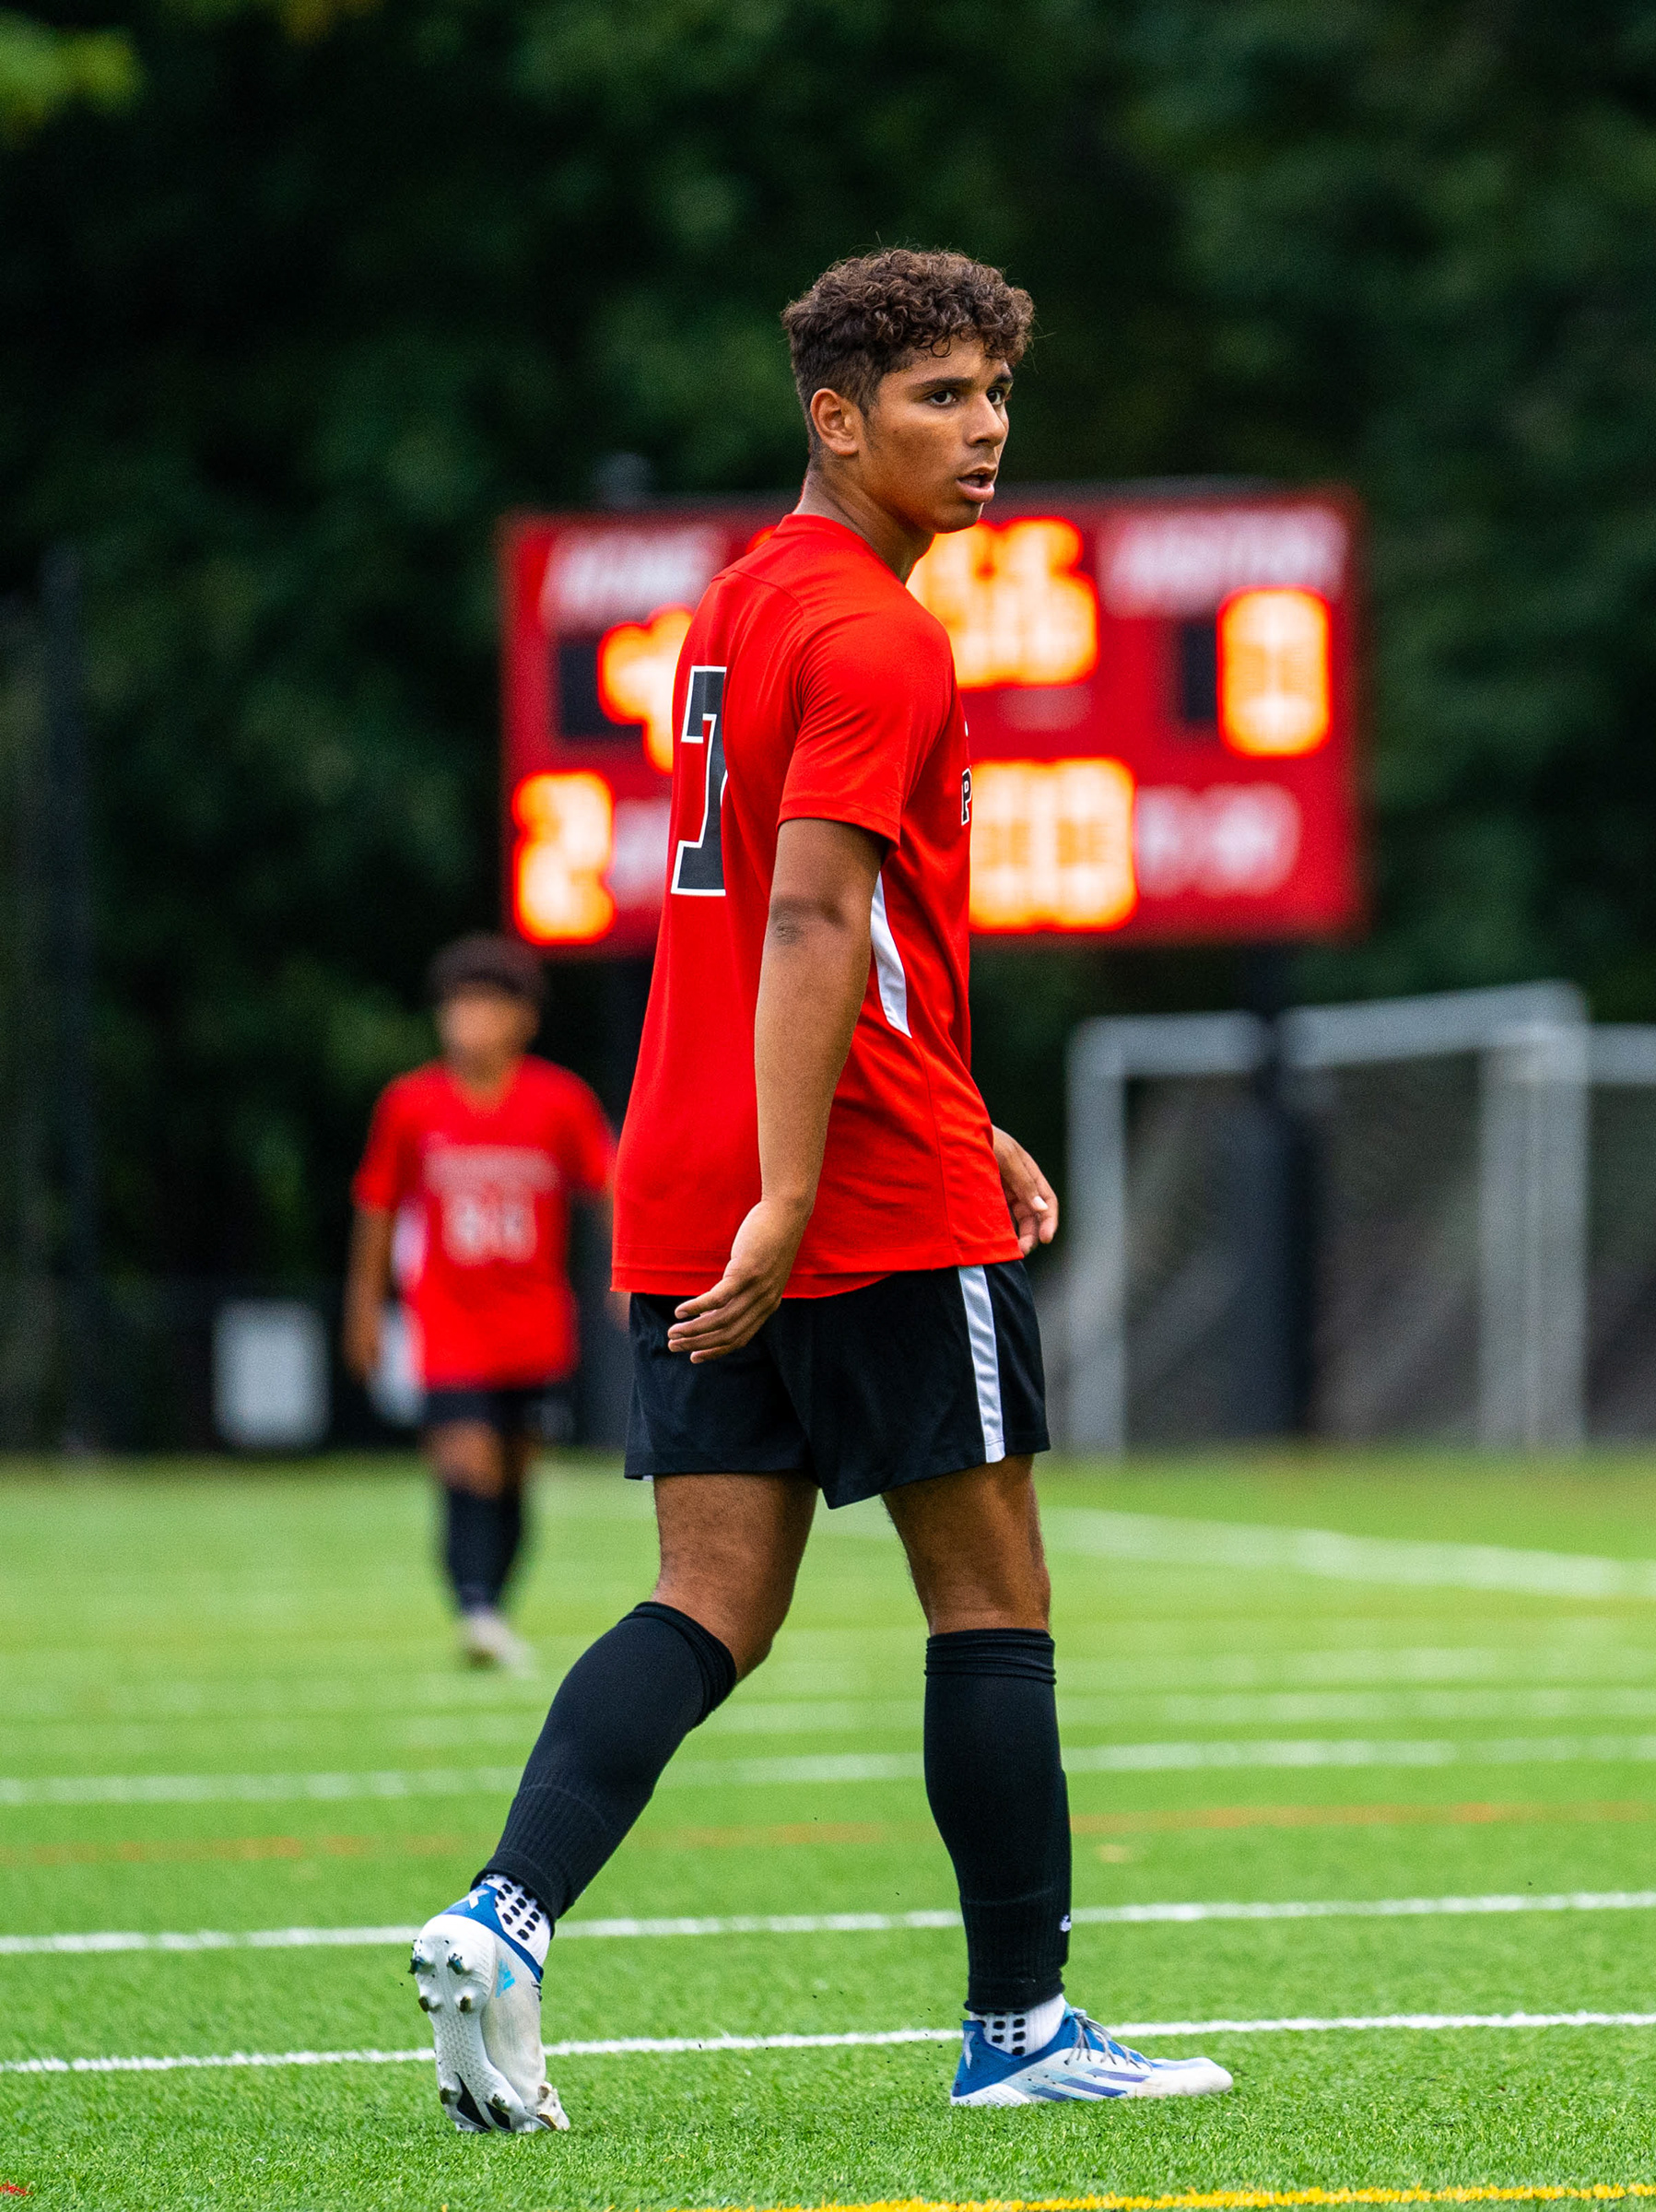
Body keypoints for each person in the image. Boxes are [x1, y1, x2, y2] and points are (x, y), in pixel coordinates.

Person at [408, 248, 1233, 2128]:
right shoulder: (879, 633)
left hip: (692, 1158)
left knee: (707, 1598)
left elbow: (810, 943)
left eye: (998, 392)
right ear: (837, 420)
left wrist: (944, 1111)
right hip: (845, 1188)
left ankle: (504, 1919)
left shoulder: (733, 606)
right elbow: (806, 916)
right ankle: (1021, 2030)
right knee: (992, 1592)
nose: (988, 429)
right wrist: (803, 1191)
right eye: (943, 396)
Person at [345, 934, 616, 1670]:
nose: (469, 1022)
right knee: (468, 1463)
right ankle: (474, 1606)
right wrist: (364, 1308)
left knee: (516, 1472)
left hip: (534, 1322)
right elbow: (377, 1206)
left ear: (523, 1018)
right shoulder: (411, 1104)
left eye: (487, 1006)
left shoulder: (560, 1101)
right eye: (458, 1006)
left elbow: (609, 1185)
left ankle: (491, 1605)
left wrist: (625, 1274)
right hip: (449, 1319)